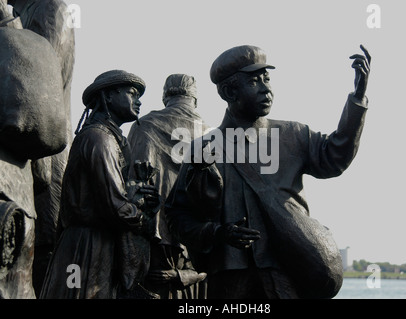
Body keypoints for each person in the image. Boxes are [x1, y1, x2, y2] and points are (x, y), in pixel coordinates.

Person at [165, 44, 371, 299]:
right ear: (230, 91)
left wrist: (357, 100)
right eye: (254, 81)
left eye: (267, 79)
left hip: (286, 270)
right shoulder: (202, 149)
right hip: (230, 278)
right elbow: (177, 216)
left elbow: (335, 157)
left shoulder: (294, 135)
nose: (266, 88)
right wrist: (217, 233)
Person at [39, 70, 160, 299]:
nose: (139, 100)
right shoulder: (99, 138)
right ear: (109, 96)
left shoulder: (108, 138)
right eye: (132, 93)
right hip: (87, 248)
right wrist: (143, 219)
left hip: (96, 244)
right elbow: (115, 206)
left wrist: (142, 196)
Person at [3, 0, 76, 296]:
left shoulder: (51, 7)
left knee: (38, 256)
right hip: (19, 147)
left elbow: (39, 83)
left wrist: (39, 171)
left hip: (39, 152)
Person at [126, 74, 208, 299]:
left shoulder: (144, 125)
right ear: (194, 99)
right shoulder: (211, 134)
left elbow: (131, 181)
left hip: (153, 234)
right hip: (195, 238)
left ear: (165, 97)